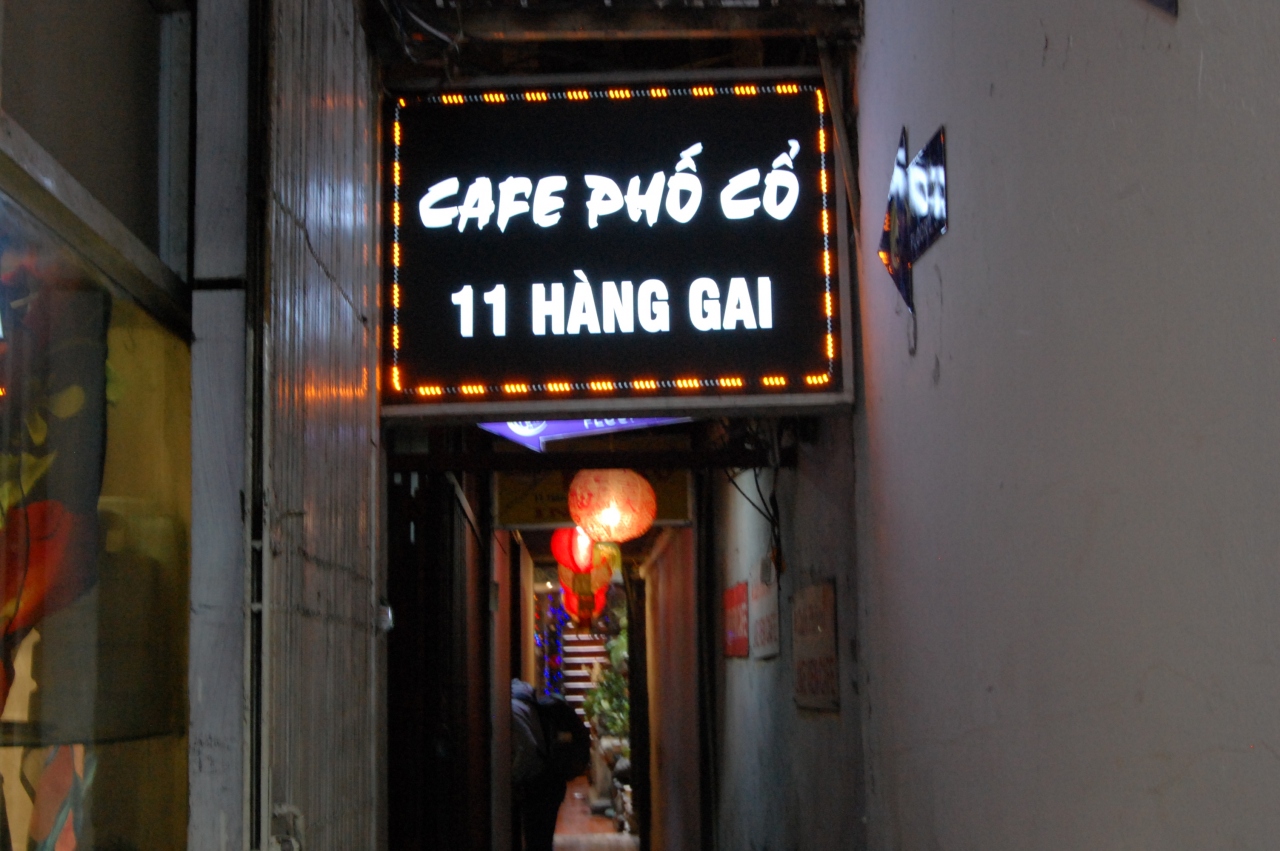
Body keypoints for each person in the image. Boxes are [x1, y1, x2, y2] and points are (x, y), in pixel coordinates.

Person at [511, 679, 566, 851]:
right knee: (543, 840)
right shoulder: (529, 703)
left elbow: (528, 747)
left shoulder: (513, 709)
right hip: (552, 779)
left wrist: (513, 777)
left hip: (538, 783)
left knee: (536, 841)